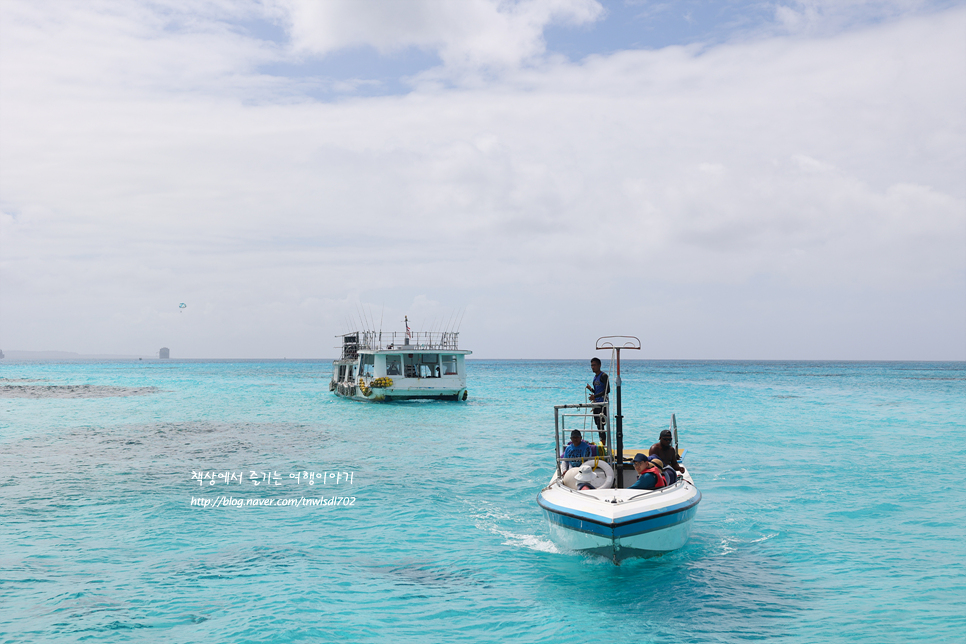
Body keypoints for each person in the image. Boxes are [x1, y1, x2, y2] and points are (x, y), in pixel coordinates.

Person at [585, 357, 610, 444]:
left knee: (601, 425)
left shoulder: (603, 376)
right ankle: (601, 443)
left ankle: (603, 445)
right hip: (596, 404)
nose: (593, 367)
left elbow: (607, 390)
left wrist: (595, 396)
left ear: (599, 365)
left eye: (594, 365)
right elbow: (598, 391)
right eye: (592, 365)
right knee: (598, 425)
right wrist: (591, 389)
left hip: (602, 404)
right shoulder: (595, 377)